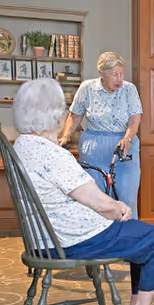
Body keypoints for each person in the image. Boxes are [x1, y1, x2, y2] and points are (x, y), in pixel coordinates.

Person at [13, 79, 154, 305]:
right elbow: (99, 203)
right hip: (69, 239)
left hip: (45, 237)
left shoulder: (22, 145)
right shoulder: (53, 155)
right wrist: (118, 208)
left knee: (138, 235)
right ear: (55, 116)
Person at [59, 52, 144, 218]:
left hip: (123, 148)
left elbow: (135, 119)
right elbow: (75, 116)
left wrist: (127, 138)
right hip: (94, 148)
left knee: (127, 198)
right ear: (101, 73)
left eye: (121, 74)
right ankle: (101, 240)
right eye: (114, 75)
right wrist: (65, 137)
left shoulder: (129, 90)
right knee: (95, 200)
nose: (119, 79)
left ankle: (128, 240)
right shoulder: (87, 88)